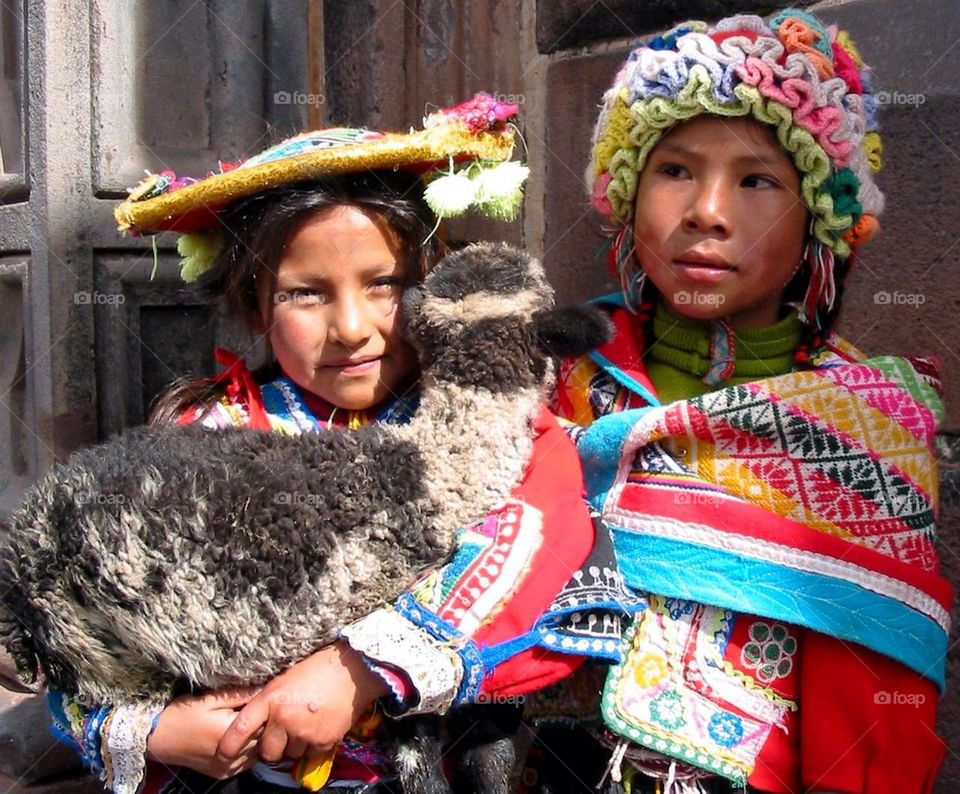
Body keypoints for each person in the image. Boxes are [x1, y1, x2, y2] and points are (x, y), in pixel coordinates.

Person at [49, 96, 597, 793]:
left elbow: (544, 562)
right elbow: (85, 625)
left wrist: (359, 672)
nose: (352, 327)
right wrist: (154, 729)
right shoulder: (207, 442)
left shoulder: (499, 432)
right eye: (305, 294)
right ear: (253, 304)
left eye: (386, 285)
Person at [524, 10, 951, 794]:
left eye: (758, 180)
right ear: (626, 190)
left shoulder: (867, 425)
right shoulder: (552, 378)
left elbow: (870, 722)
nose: (707, 212)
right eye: (675, 170)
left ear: (821, 221)